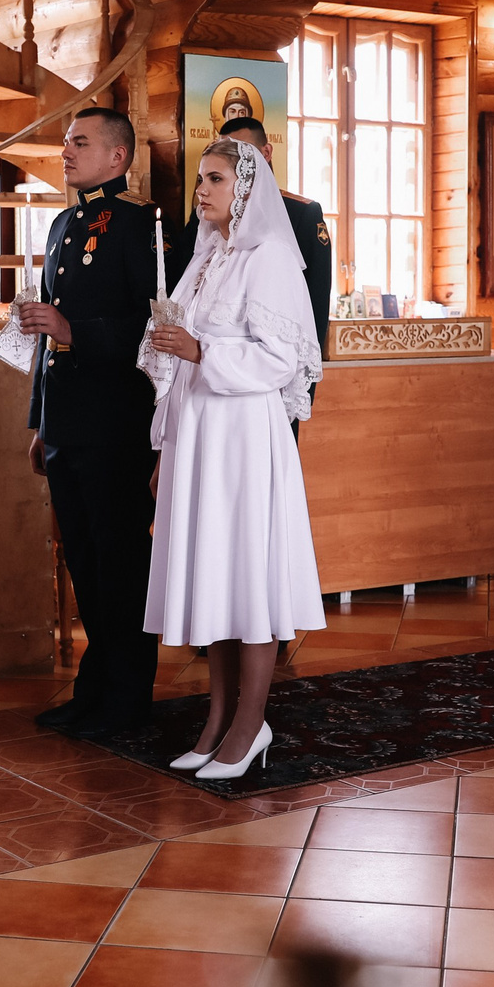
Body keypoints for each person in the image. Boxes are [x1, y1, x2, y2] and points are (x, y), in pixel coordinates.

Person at [142, 138, 327, 781]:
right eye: (199, 179)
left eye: (215, 179)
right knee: (211, 574)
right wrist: (167, 352)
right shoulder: (206, 255)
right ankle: (217, 721)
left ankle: (251, 724)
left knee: (246, 573)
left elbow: (283, 359)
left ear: (246, 188)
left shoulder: (269, 255)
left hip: (243, 435)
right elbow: (181, 343)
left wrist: (199, 354)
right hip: (199, 433)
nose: (202, 190)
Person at [14, 107, 161, 737]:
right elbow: (49, 344)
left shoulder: (138, 225)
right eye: (65, 141)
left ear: (118, 158)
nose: (65, 152)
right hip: (67, 426)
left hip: (116, 425)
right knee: (82, 561)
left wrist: (76, 329)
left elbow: (154, 328)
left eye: (79, 142)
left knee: (119, 562)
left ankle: (127, 699)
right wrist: (39, 423)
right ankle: (94, 690)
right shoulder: (61, 224)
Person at [217, 114, 332, 351]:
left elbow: (315, 299)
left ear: (266, 152)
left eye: (244, 153)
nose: (236, 162)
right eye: (227, 154)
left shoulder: (302, 213)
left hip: (280, 353)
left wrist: (306, 382)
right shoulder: (211, 216)